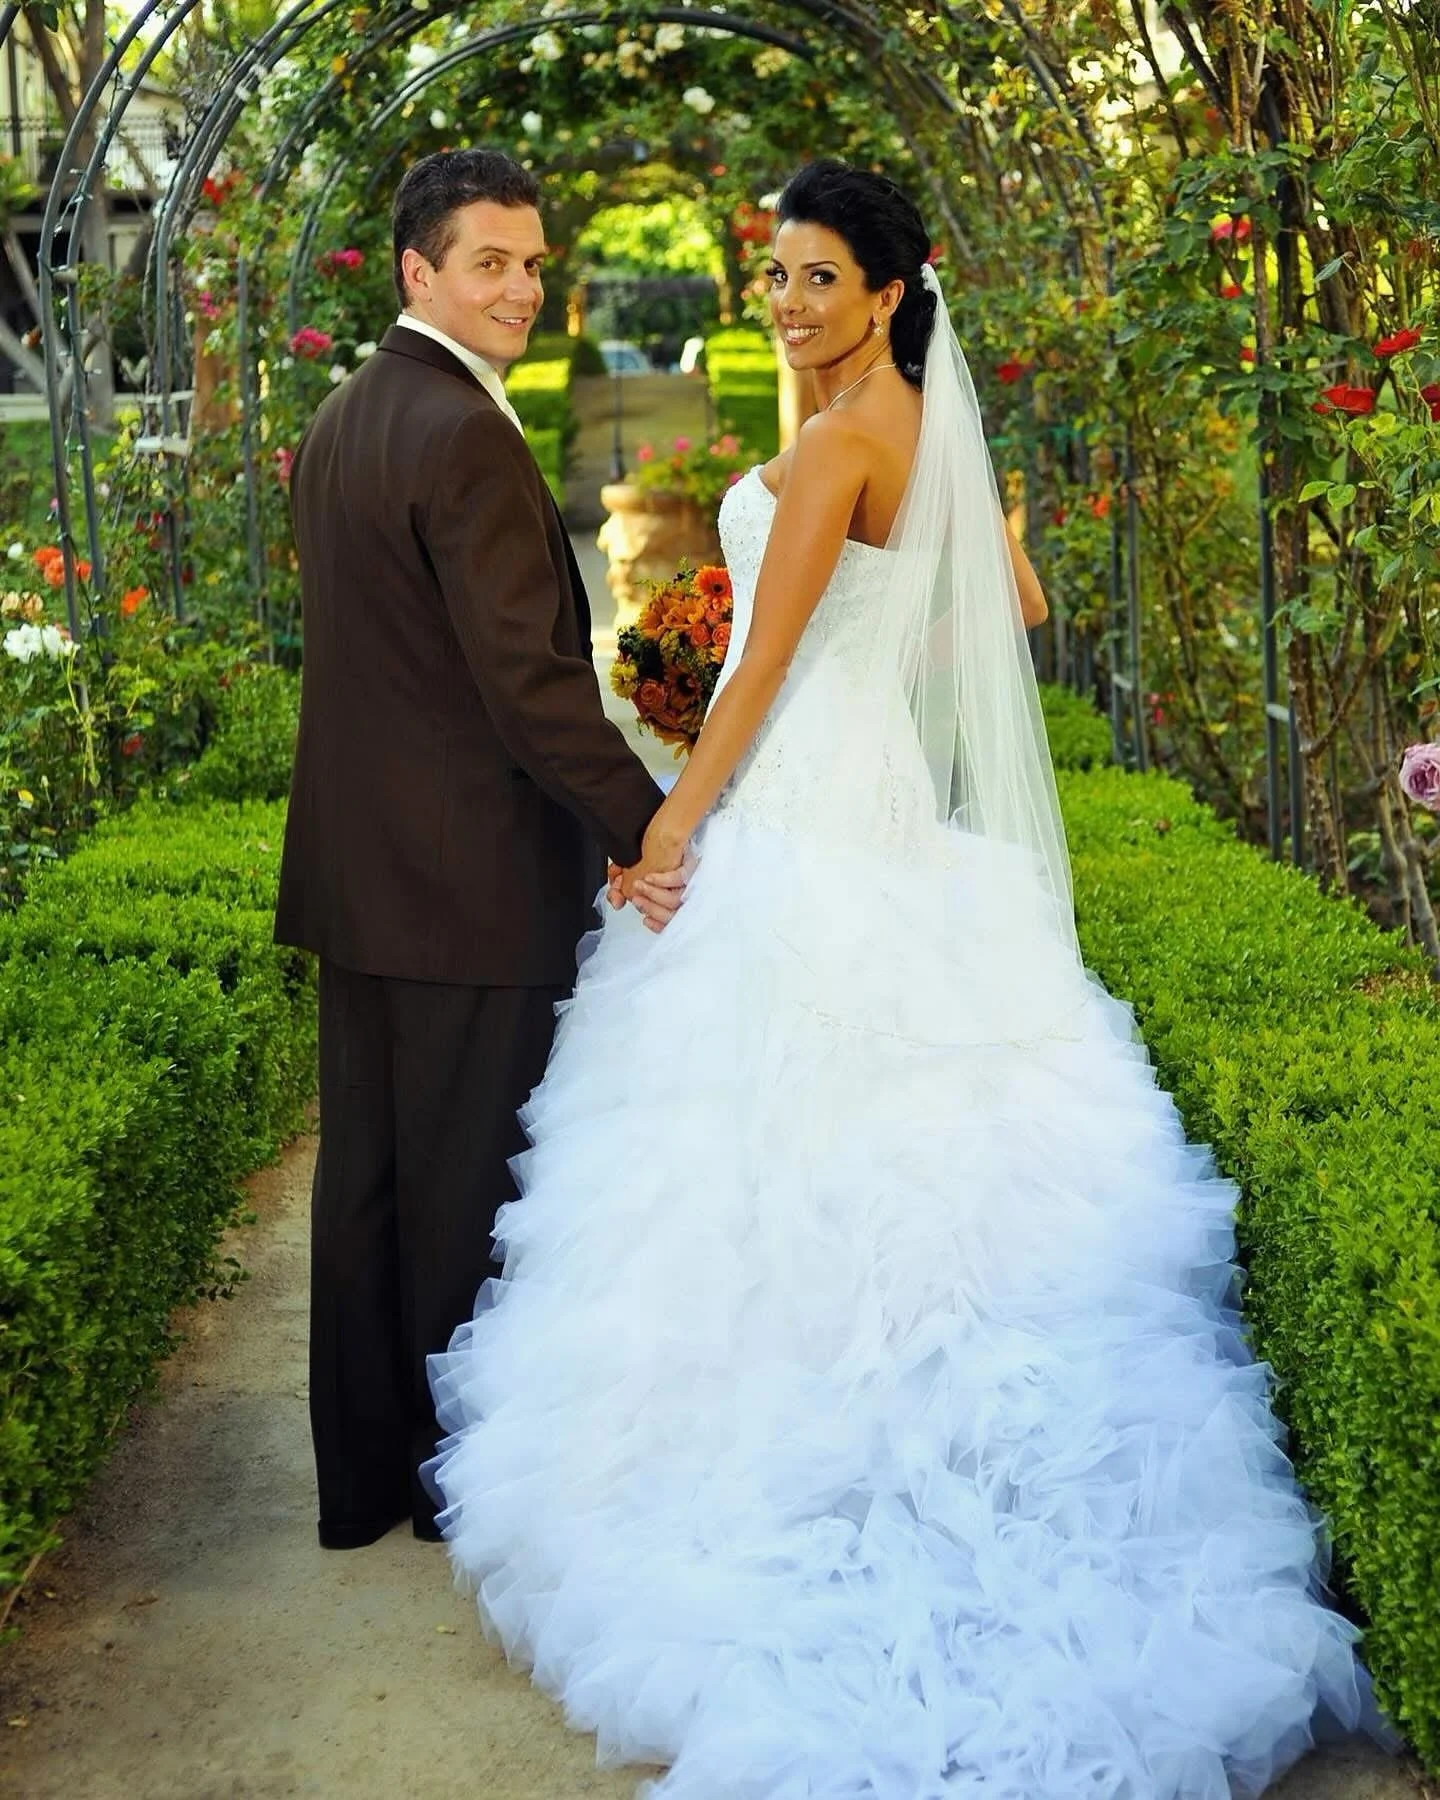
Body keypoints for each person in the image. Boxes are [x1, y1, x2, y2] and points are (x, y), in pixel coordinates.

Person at [425, 161, 1381, 1794]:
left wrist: (665, 832)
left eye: (816, 281)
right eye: (777, 278)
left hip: (804, 832)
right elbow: (1005, 601)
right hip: (897, 835)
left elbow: (758, 680)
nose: (789, 304)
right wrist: (873, 639)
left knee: (762, 1183)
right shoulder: (931, 431)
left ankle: (794, 1484)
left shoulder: (824, 455)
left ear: (885, 291)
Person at [274, 148, 681, 1552]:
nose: (519, 287)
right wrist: (651, 829)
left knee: (369, 1190)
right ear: (419, 274)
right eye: (489, 262)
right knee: (458, 1199)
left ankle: (362, 1486)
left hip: (361, 876)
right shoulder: (461, 433)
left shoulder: (343, 418)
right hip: (467, 887)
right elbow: (531, 684)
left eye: (530, 260)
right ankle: (454, 1491)